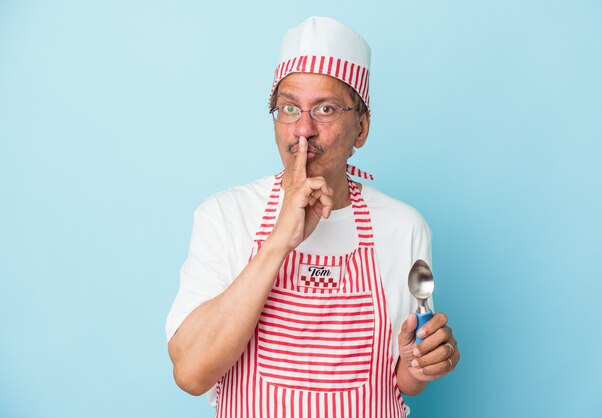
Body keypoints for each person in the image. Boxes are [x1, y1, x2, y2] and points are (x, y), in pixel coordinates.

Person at [166, 16, 460, 417]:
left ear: (361, 128)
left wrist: (420, 363)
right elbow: (190, 373)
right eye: (289, 108)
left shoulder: (404, 228)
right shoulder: (225, 216)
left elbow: (399, 379)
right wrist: (277, 243)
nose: (303, 129)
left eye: (325, 108)